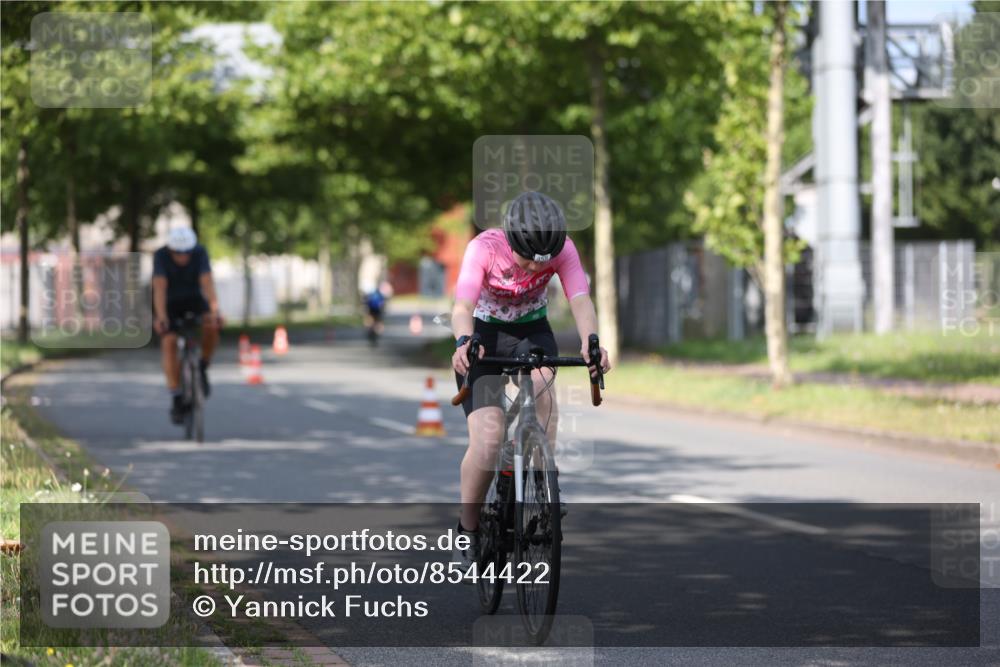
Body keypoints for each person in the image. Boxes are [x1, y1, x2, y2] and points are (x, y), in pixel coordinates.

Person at [449, 191, 611, 569]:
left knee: (542, 391)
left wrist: (592, 342)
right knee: (488, 441)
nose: (537, 271)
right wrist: (463, 340)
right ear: (511, 240)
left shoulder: (563, 248)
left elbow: (581, 299)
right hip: (484, 335)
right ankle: (467, 529)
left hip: (531, 332)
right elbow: (462, 306)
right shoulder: (484, 248)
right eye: (528, 261)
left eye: (545, 265)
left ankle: (542, 479)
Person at [152, 227, 221, 424]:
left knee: (211, 326)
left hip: (194, 299)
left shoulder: (200, 252)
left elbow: (207, 283)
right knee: (169, 342)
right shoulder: (161, 256)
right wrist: (161, 316)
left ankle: (203, 366)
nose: (182, 257)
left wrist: (215, 311)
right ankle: (176, 395)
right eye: (177, 253)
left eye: (186, 253)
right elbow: (159, 288)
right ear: (171, 250)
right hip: (170, 303)